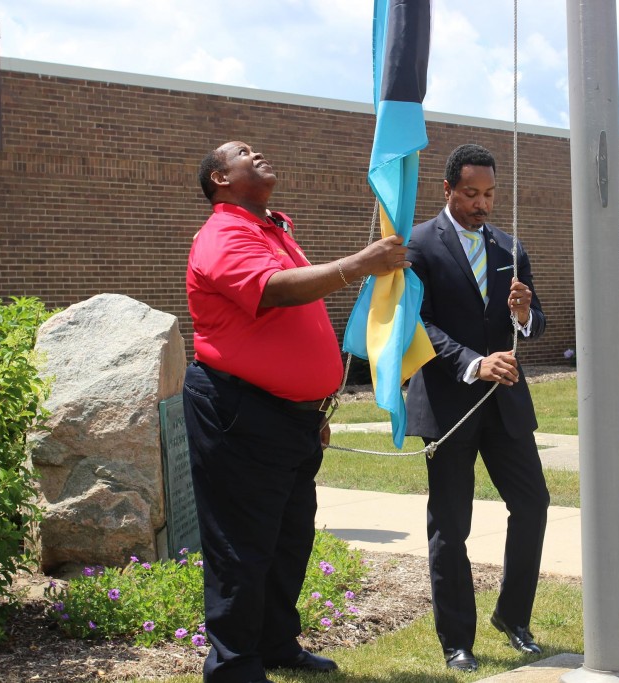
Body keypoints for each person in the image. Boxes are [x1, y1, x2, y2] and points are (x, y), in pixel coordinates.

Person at [182, 140, 410, 683]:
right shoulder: (223, 233)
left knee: (289, 537)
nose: (257, 152)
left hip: (290, 417)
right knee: (242, 544)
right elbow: (271, 292)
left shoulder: (272, 230)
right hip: (240, 410)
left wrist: (311, 405)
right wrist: (359, 264)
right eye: (242, 152)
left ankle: (276, 644)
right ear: (220, 178)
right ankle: (234, 666)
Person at [406, 143, 550, 672]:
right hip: (448, 405)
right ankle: (457, 641)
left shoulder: (510, 247)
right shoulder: (417, 244)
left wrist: (526, 312)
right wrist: (471, 362)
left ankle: (513, 617)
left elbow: (536, 326)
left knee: (533, 504)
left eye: (489, 194)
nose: (481, 204)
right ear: (447, 190)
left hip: (506, 404)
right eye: (471, 193)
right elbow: (416, 322)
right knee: (451, 524)